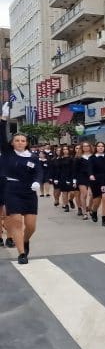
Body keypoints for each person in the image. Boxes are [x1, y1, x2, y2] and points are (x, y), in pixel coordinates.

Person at [0, 103, 44, 264]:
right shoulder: (7, 153)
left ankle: (25, 240)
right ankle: (21, 253)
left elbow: (38, 171)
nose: (19, 142)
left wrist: (37, 182)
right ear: (12, 143)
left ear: (26, 143)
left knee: (31, 226)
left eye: (22, 140)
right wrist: (3, 119)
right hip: (12, 190)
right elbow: (1, 135)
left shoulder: (32, 157)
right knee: (17, 222)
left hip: (29, 192)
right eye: (16, 140)